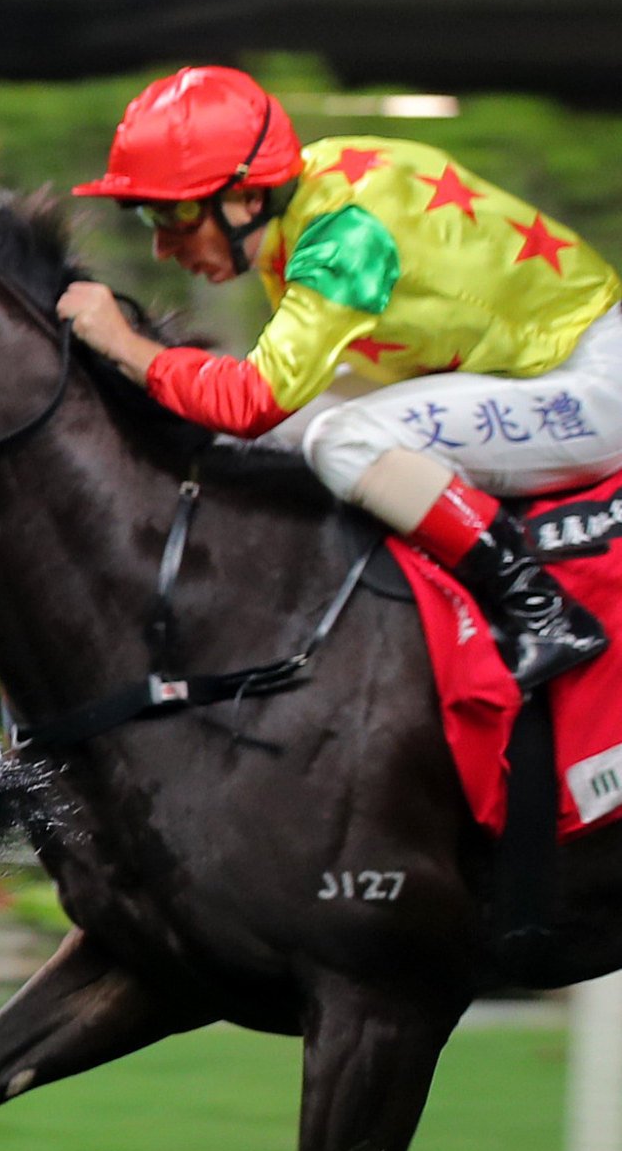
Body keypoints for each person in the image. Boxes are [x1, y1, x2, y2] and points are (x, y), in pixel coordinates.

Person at [59, 65, 622, 689]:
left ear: (248, 198)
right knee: (288, 432)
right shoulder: (314, 186)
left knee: (344, 441)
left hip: (590, 379)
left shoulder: (343, 239)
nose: (165, 247)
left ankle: (542, 612)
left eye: (176, 216)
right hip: (532, 360)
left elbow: (250, 400)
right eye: (148, 219)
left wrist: (121, 343)